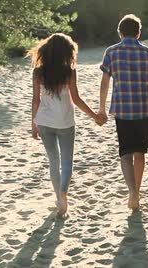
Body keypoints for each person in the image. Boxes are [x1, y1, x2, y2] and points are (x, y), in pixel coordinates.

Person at [30, 33, 107, 218]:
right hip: (65, 122)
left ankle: (59, 198)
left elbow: (35, 100)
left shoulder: (38, 72)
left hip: (44, 122)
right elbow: (76, 99)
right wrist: (94, 116)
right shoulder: (69, 71)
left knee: (53, 162)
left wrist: (33, 123)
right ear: (67, 52)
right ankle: (64, 192)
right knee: (66, 163)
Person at [98, 14, 148, 210]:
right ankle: (137, 191)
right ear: (138, 33)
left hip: (123, 109)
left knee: (125, 153)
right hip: (144, 109)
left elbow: (105, 83)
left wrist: (101, 108)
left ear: (120, 33)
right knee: (140, 153)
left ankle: (132, 192)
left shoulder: (111, 52)